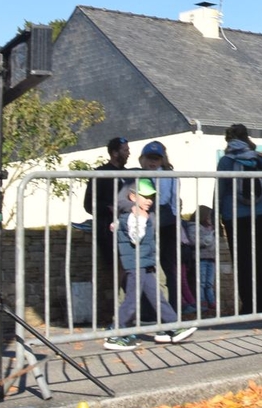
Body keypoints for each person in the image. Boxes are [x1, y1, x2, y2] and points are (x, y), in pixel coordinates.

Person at [105, 178, 194, 350]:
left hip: (145, 263)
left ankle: (172, 326)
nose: (149, 200)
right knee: (132, 300)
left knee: (157, 297)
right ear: (132, 197)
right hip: (136, 265)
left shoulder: (136, 215)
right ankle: (115, 333)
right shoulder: (134, 217)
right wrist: (143, 220)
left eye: (151, 197)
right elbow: (135, 237)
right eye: (145, 197)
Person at [216, 123, 262, 315]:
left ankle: (249, 305)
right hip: (261, 214)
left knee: (242, 262)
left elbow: (220, 190)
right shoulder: (259, 158)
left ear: (228, 140)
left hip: (235, 216)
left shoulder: (226, 161)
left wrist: (216, 214)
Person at [82, 136, 131, 328]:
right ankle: (119, 316)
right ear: (114, 153)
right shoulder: (100, 174)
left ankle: (128, 313)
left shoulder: (128, 175)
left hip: (129, 229)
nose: (128, 153)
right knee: (118, 270)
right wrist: (108, 208)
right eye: (125, 150)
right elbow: (88, 204)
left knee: (130, 270)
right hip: (107, 231)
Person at [139, 140, 193, 314]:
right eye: (150, 158)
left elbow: (173, 200)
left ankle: (170, 309)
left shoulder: (168, 175)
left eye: (156, 158)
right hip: (155, 221)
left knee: (166, 267)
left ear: (162, 159)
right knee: (158, 267)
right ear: (143, 159)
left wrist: (175, 221)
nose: (152, 162)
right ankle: (162, 309)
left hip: (165, 221)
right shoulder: (141, 175)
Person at [196, 205, 219, 312]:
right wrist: (207, 240)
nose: (210, 219)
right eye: (209, 216)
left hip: (211, 259)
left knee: (209, 283)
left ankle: (212, 302)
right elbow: (195, 241)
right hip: (201, 258)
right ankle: (202, 302)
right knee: (201, 282)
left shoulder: (212, 229)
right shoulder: (196, 227)